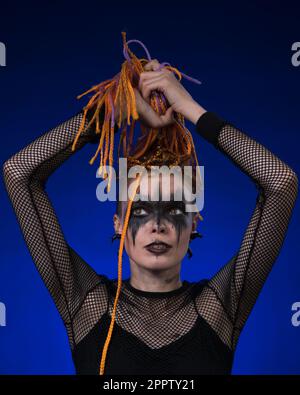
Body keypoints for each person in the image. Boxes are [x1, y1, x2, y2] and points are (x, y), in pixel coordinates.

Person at [2, 59, 298, 375]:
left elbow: (281, 182)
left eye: (174, 209)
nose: (158, 225)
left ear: (194, 222)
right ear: (118, 223)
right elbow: (19, 172)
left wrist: (191, 109)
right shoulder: (87, 304)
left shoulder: (218, 309)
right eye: (140, 210)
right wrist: (112, 112)